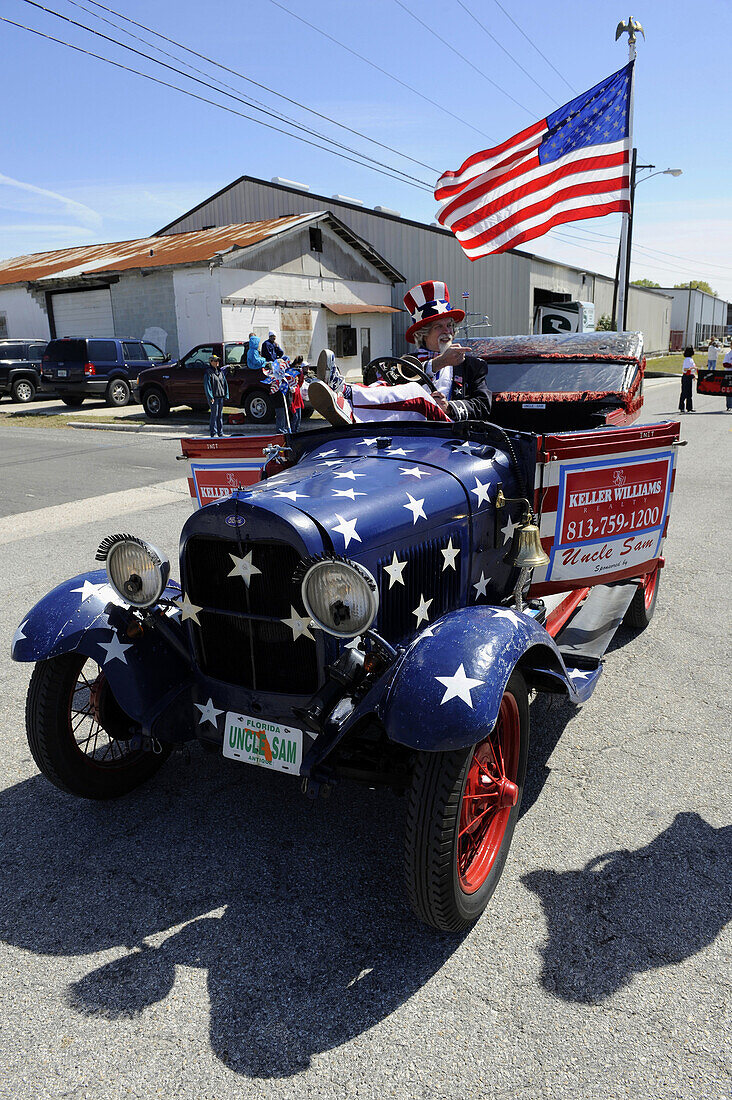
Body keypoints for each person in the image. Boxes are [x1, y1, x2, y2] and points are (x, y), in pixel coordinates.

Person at [307, 281, 492, 426]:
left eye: (450, 325)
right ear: (423, 333)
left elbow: (483, 405)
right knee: (384, 384)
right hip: (406, 431)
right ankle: (344, 398)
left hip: (449, 433)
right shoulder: (406, 363)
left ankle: (346, 394)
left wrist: (449, 407)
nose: (448, 331)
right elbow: (389, 388)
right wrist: (438, 363)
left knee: (416, 394)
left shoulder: (472, 365)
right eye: (439, 326)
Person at [203, 354, 228, 438]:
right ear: (211, 362)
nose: (217, 362)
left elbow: (224, 383)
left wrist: (226, 394)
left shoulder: (220, 372)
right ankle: (213, 433)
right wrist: (210, 397)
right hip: (214, 397)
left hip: (220, 396)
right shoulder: (208, 372)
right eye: (215, 361)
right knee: (214, 415)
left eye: (218, 360)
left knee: (220, 415)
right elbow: (207, 386)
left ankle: (220, 432)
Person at [678, 345, 697, 413]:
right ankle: (681, 407)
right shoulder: (687, 359)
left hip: (690, 376)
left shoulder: (690, 359)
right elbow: (685, 368)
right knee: (684, 392)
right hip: (686, 377)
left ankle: (689, 407)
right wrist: (692, 369)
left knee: (689, 393)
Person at [723, 345, 732, 411]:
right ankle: (729, 405)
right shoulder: (728, 354)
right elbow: (724, 364)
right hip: (729, 374)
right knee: (729, 390)